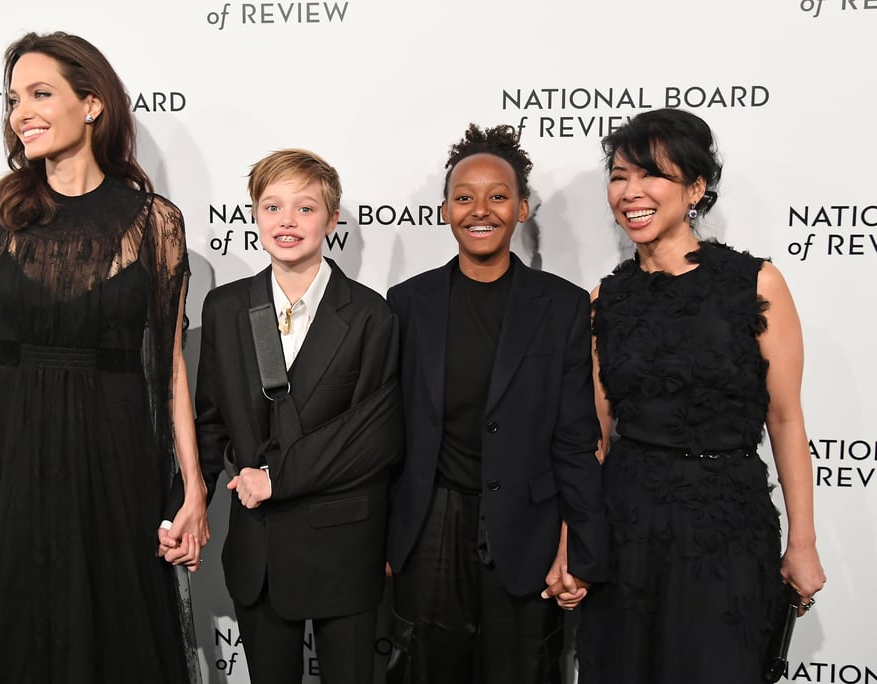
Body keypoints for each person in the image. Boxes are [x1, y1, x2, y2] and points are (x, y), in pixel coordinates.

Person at [0, 32, 206, 683]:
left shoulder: (153, 222)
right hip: (14, 452)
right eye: (12, 99)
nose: (19, 111)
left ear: (92, 104)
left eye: (39, 93)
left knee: (112, 637)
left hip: (113, 457)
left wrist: (193, 486)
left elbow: (167, 366)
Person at [578, 108, 827, 683]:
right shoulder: (603, 302)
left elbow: (786, 421)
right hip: (626, 529)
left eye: (652, 176)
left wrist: (804, 543)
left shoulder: (755, 284)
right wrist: (576, 543)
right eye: (619, 176)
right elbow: (595, 437)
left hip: (726, 527)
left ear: (696, 187)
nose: (631, 193)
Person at [385, 124, 609, 683]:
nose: (479, 210)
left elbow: (576, 438)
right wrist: (385, 538)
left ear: (522, 209)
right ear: (444, 211)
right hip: (430, 527)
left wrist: (580, 548)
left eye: (498, 196)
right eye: (464, 197)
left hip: (527, 531)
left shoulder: (561, 306)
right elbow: (388, 431)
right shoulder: (408, 303)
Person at [189, 149, 402, 683]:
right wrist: (182, 511)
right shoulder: (225, 307)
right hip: (258, 550)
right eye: (272, 206)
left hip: (346, 548)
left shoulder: (371, 313)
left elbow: (371, 439)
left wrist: (275, 479)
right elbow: (211, 423)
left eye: (305, 208)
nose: (287, 221)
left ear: (332, 220)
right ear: (255, 216)